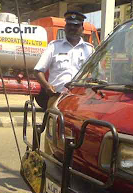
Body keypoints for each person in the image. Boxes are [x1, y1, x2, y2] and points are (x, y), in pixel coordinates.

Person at [34, 11, 94, 154]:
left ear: (82, 28)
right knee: (52, 135)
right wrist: (47, 87)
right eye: (70, 25)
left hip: (81, 100)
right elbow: (38, 70)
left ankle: (73, 166)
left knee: (78, 135)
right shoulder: (54, 46)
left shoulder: (89, 50)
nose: (73, 28)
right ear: (65, 28)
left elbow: (96, 75)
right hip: (57, 98)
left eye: (76, 26)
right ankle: (49, 164)